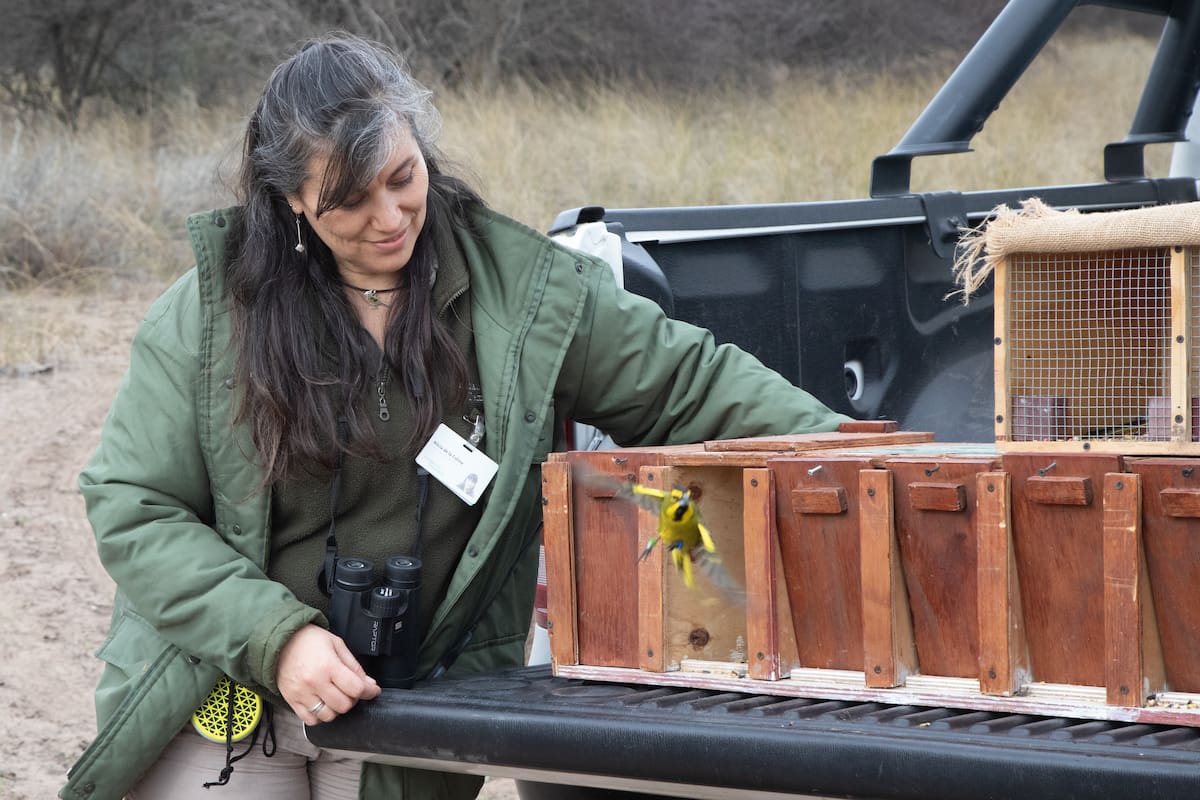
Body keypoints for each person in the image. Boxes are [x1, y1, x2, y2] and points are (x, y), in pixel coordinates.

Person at [62, 32, 851, 800]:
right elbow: (134, 504)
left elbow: (688, 383)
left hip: (412, 697)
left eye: (402, 177)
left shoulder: (527, 298)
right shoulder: (208, 315)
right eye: (349, 201)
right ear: (291, 200)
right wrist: (277, 639)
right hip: (223, 680)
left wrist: (853, 456)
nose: (389, 216)